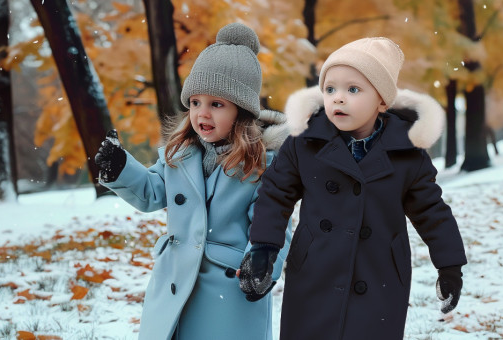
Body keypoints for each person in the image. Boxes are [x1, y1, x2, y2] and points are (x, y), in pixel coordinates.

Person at [238, 37, 467, 340]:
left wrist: (450, 266)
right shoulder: (304, 141)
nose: (338, 98)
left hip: (378, 272)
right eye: (330, 89)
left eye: (353, 89)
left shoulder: (407, 153)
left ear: (382, 101)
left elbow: (432, 211)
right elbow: (275, 193)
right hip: (315, 268)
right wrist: (264, 247)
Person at [95, 22, 291, 340]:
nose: (203, 114)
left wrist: (265, 260)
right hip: (176, 280)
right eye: (196, 103)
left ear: (241, 111)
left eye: (217, 104)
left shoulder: (262, 163)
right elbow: (151, 193)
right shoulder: (180, 155)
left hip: (228, 287)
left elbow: (274, 221)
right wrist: (121, 169)